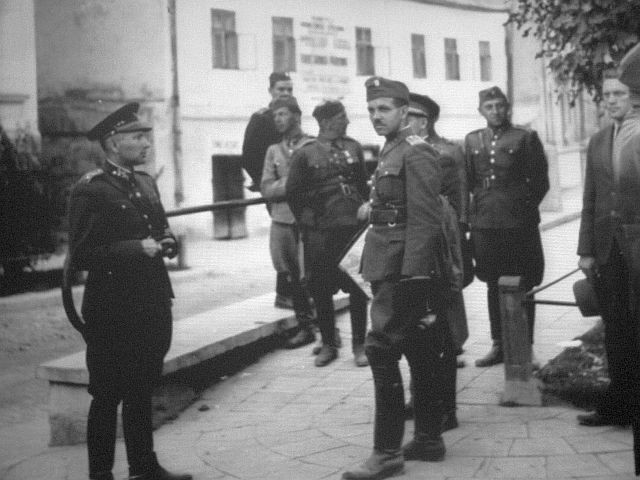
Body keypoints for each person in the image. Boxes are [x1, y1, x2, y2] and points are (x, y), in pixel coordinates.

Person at [64, 103, 191, 480]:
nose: (146, 143)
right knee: (106, 394)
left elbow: (160, 228)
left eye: (145, 136)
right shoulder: (90, 190)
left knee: (142, 387)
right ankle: (100, 475)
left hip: (151, 301)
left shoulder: (146, 182)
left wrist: (166, 240)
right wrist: (136, 249)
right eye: (137, 137)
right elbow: (82, 255)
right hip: (112, 308)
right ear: (113, 143)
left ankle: (143, 467)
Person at [343, 77, 448, 480]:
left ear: (405, 112)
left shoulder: (417, 152)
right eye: (371, 110)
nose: (375, 116)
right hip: (387, 260)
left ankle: (386, 453)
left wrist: (415, 275)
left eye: (383, 109)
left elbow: (426, 217)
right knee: (420, 348)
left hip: (403, 268)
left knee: (381, 347)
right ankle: (427, 439)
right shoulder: (392, 149)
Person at [465, 86, 549, 368]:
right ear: (481, 111)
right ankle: (498, 344)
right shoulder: (472, 140)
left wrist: (520, 208)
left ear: (508, 107)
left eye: (500, 105)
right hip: (485, 224)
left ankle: (525, 347)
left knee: (523, 284)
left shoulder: (525, 137)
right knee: (492, 283)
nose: (496, 111)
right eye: (489, 107)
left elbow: (540, 182)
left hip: (518, 224)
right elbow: (468, 183)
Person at [575, 64, 640, 427]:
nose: (612, 100)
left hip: (637, 249)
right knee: (615, 327)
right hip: (607, 250)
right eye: (607, 95)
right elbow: (590, 198)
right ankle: (619, 404)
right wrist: (585, 249)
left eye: (619, 93)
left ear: (633, 95)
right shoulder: (598, 140)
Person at [403, 92, 469, 432]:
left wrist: (459, 255)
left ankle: (446, 408)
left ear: (423, 121)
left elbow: (458, 204)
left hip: (441, 250)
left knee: (442, 329)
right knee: (416, 328)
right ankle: (421, 399)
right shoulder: (400, 150)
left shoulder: (444, 153)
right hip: (412, 250)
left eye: (410, 114)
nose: (404, 119)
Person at [286, 100, 370, 368]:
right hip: (321, 233)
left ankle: (360, 345)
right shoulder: (305, 154)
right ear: (326, 122)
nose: (346, 121)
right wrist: (311, 224)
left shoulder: (353, 147)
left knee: (358, 286)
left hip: (352, 230)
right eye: (342, 117)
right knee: (321, 288)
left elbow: (362, 184)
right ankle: (329, 345)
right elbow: (293, 194)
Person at [260, 96, 316, 348]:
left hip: (308, 220)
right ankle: (305, 327)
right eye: (275, 116)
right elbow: (266, 188)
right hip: (282, 221)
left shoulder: (313, 145)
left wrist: (283, 186)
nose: (278, 120)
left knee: (314, 276)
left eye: (282, 114)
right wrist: (292, 185)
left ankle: (328, 332)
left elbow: (317, 184)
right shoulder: (273, 150)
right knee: (291, 275)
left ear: (296, 115)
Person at [242, 71, 295, 309]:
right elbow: (248, 155)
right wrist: (265, 182)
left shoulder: (292, 116)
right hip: (275, 189)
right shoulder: (262, 118)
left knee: (297, 237)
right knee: (285, 236)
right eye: (280, 89)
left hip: (294, 188)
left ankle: (294, 292)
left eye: (288, 90)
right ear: (270, 91)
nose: (284, 93)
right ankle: (284, 294)